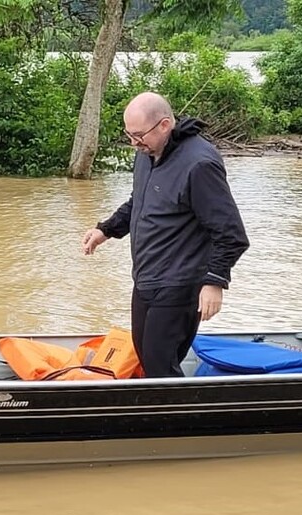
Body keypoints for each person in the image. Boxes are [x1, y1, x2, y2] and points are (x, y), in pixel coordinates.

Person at [82, 91, 250, 378]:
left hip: (181, 284)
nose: (134, 143)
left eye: (139, 135)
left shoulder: (199, 165)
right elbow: (140, 202)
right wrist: (106, 229)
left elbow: (231, 233)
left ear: (164, 124)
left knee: (160, 364)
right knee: (146, 355)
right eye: (129, 135)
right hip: (146, 277)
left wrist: (215, 282)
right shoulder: (147, 154)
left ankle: (178, 421)